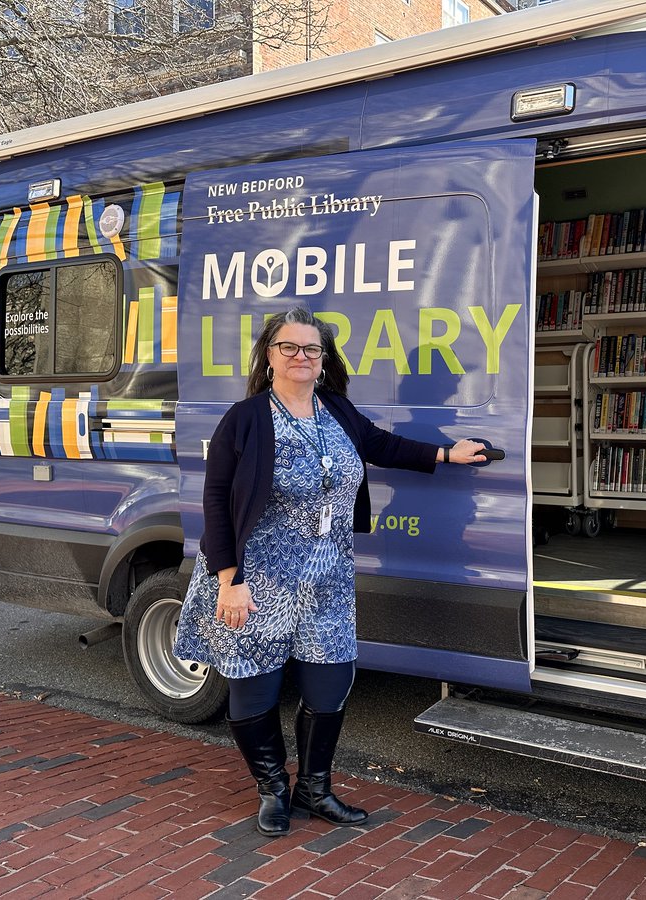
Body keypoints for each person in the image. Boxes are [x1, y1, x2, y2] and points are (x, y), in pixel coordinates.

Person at [173, 306, 488, 838]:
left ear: (324, 360)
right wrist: (229, 579)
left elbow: (382, 444)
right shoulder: (246, 419)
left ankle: (314, 789)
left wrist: (445, 452)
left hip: (328, 582)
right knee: (255, 689)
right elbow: (217, 502)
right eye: (289, 348)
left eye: (311, 349)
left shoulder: (337, 411)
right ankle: (272, 788)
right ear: (269, 356)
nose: (301, 357)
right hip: (257, 580)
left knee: (330, 685)